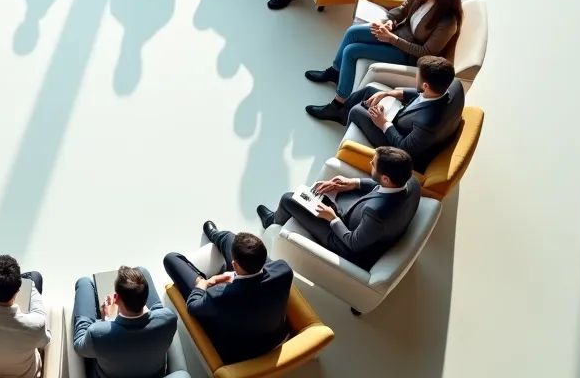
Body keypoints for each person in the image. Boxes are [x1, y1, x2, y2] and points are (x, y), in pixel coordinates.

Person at [305, 0, 464, 117]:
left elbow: (426, 52)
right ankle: (335, 71)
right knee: (352, 33)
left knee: (352, 51)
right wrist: (390, 21)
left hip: (408, 54)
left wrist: (391, 39)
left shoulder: (448, 22)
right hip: (395, 33)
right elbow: (403, 9)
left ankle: (339, 105)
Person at [257, 146, 421, 270]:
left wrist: (332, 218)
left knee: (288, 199)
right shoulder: (411, 182)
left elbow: (353, 243)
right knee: (317, 193)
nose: (370, 163)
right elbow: (383, 187)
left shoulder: (377, 212)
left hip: (345, 244)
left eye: (374, 164)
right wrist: (353, 183)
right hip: (362, 221)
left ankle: (271, 221)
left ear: (385, 178)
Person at [162, 227, 291, 365]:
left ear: (233, 265)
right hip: (276, 337)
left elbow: (193, 306)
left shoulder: (219, 296)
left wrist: (204, 283)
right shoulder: (284, 270)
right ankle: (217, 235)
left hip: (240, 354)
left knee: (171, 259)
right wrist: (236, 276)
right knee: (230, 238)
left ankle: (201, 273)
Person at [320, 56, 465, 170]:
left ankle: (347, 123)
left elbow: (404, 149)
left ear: (426, 85)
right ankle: (340, 111)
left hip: (399, 142)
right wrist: (389, 93)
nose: (416, 77)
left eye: (417, 76)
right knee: (369, 91)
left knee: (357, 110)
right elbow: (423, 94)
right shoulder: (454, 85)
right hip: (404, 116)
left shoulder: (429, 122)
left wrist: (383, 123)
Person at [72, 266, 177, 378]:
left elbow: (79, 346)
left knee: (84, 282)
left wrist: (109, 320)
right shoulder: (168, 319)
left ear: (116, 298)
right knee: (141, 270)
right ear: (146, 296)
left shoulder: (97, 333)